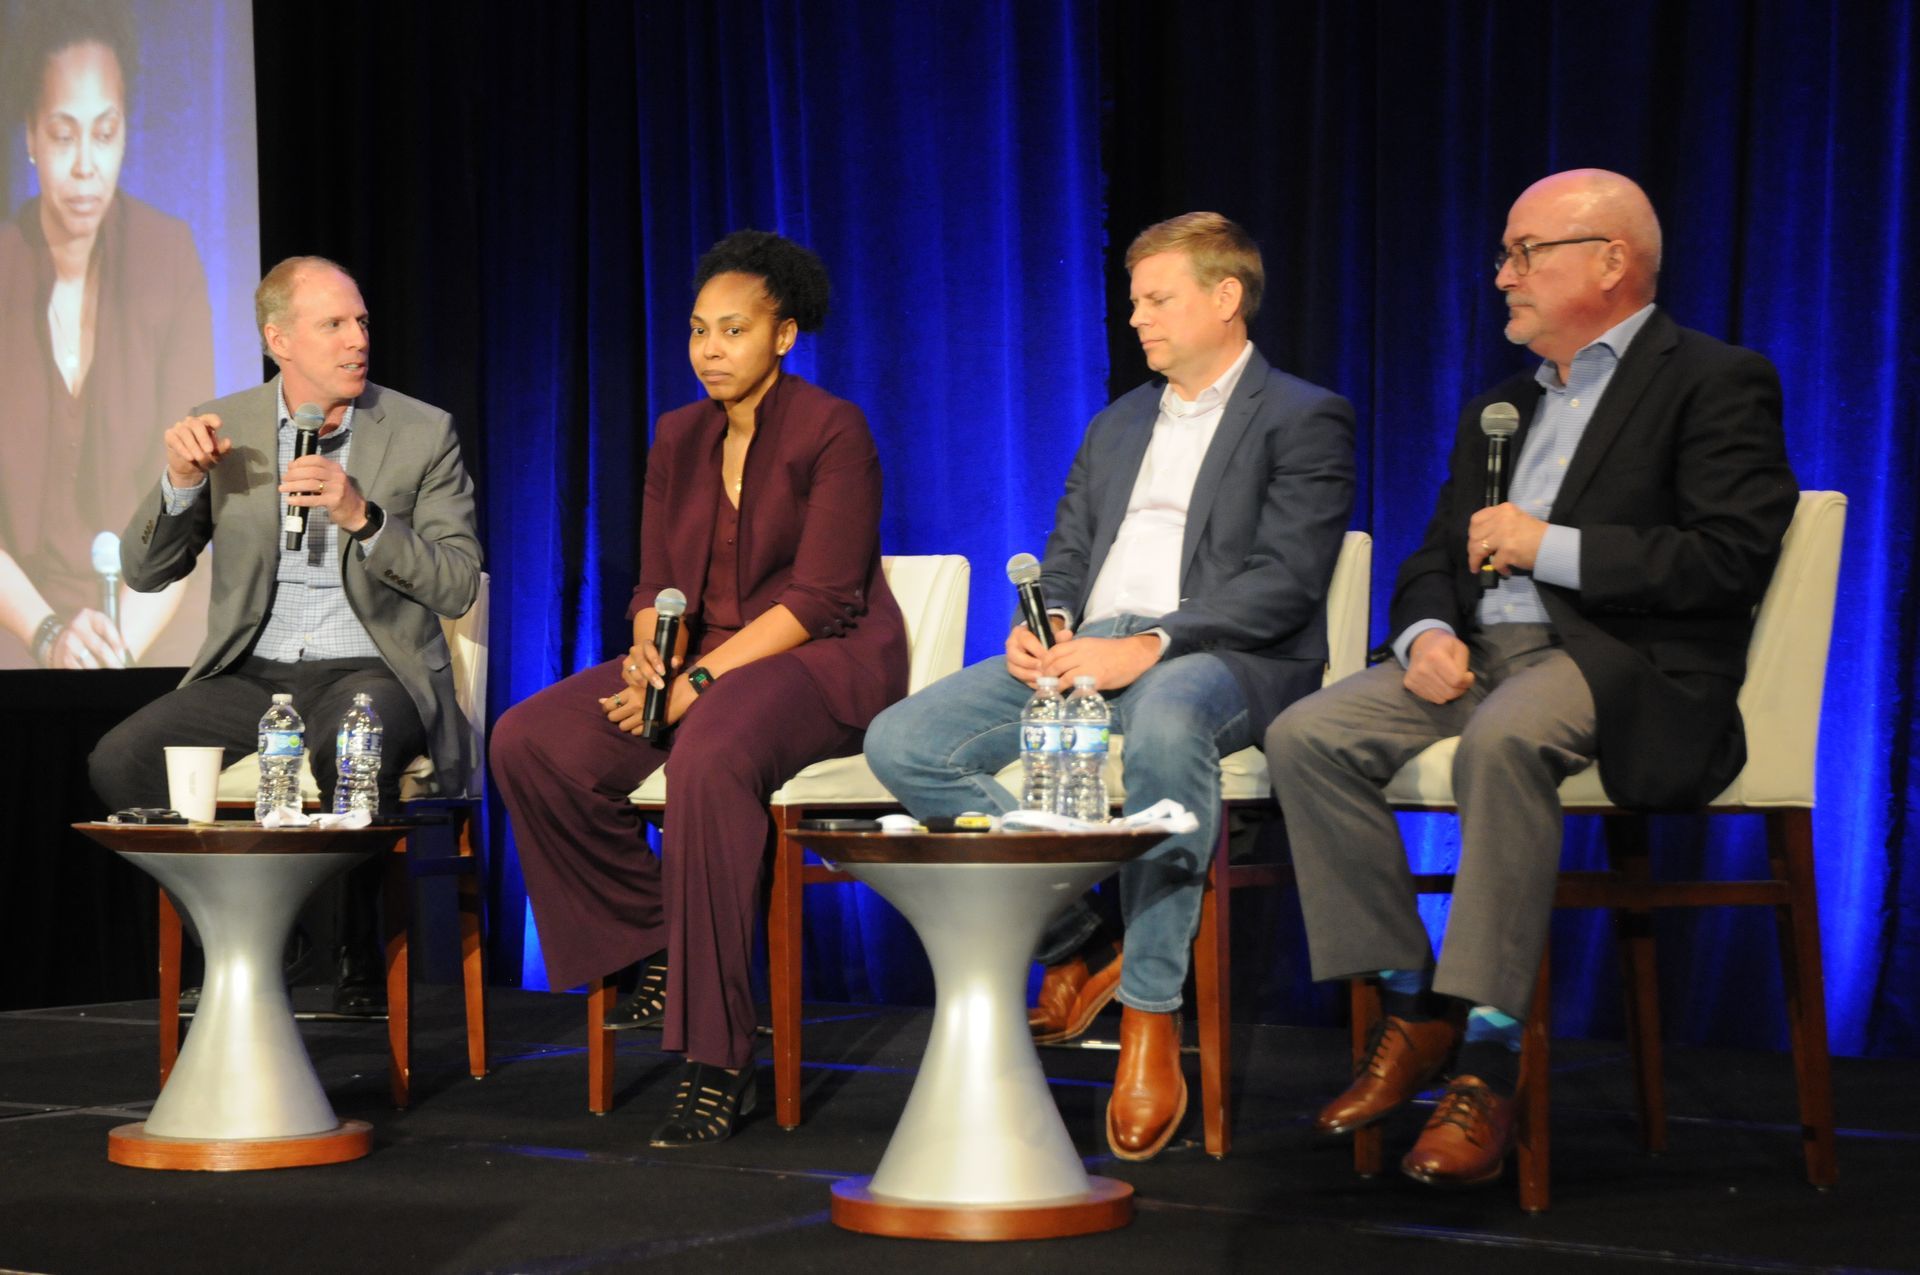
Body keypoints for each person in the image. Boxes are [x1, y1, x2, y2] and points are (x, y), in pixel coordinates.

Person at [1266, 169, 1798, 1189]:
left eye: (1525, 252)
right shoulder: (1499, 410)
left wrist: (1547, 545)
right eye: (1505, 253)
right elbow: (1433, 554)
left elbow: (1727, 558)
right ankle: (1413, 1005)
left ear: (1610, 260)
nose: (1500, 274)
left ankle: (1490, 1060)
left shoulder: (1715, 380)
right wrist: (1425, 628)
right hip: (1483, 656)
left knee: (1506, 741)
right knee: (1307, 736)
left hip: (1619, 659)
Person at [865, 212, 1355, 1161]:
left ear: (1225, 298)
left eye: (1157, 298)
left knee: (1170, 720)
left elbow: (1285, 580)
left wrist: (1156, 642)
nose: (1136, 317)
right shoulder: (1118, 420)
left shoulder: (1303, 414)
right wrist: (1044, 622)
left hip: (1227, 655)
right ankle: (1081, 937)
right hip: (1088, 650)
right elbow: (1072, 552)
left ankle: (1148, 1016)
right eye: (1134, 300)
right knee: (906, 743)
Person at [491, 230, 908, 1147]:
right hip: (699, 657)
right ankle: (654, 941)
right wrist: (649, 656)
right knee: (532, 739)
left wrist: (696, 683)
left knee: (712, 749)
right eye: (697, 331)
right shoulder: (679, 436)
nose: (710, 349)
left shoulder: (833, 427)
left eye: (733, 330)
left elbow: (823, 596)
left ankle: (719, 1057)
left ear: (784, 335)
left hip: (818, 661)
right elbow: (653, 586)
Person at [89, 255, 482, 1013]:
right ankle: (250, 933)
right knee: (121, 759)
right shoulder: (224, 428)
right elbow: (144, 574)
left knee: (353, 741)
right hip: (253, 675)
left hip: (371, 667)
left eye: (361, 321)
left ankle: (353, 943)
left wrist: (364, 516)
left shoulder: (421, 432)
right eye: (333, 324)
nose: (356, 338)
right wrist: (179, 483)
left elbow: (459, 580)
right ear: (280, 339)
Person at [0, 1, 213, 669]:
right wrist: (48, 635)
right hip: (17, 619)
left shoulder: (166, 255)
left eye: (106, 131)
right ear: (30, 136)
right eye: (63, 135)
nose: (87, 164)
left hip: (150, 611)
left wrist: (115, 650)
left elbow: (193, 491)